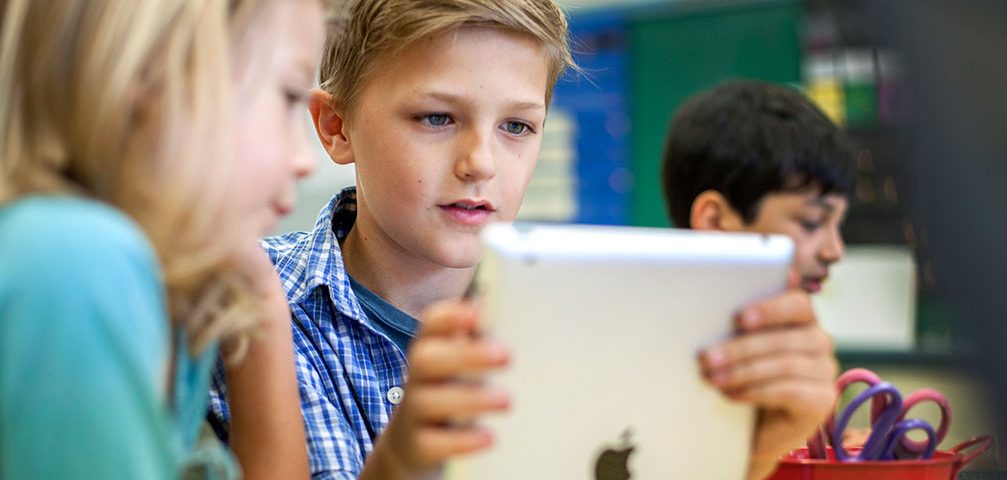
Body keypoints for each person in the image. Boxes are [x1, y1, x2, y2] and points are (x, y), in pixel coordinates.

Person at [208, 3, 838, 479]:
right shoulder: (234, 310)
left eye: (517, 126)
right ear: (336, 126)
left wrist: (741, 454)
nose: (480, 161)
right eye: (436, 117)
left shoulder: (609, 328)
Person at [0, 0, 324, 477]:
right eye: (290, 96)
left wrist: (264, 304)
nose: (305, 160)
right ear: (151, 71)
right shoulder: (78, 263)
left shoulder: (176, 309)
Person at [662, 79, 856, 463]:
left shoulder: (790, 358)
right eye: (812, 222)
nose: (836, 251)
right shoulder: (655, 366)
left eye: (839, 225)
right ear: (716, 221)